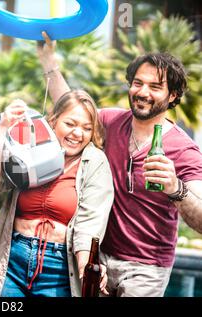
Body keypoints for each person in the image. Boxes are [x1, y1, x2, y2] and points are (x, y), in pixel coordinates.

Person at [38, 32, 202, 297]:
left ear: (172, 96)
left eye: (155, 86)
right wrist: (49, 62)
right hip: (98, 257)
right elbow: (72, 108)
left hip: (146, 269)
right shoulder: (111, 122)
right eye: (137, 83)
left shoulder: (185, 151)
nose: (143, 92)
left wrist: (176, 188)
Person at [0, 93, 113, 297]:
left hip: (58, 269)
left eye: (87, 128)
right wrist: (3, 127)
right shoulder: (29, 146)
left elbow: (90, 224)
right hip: (12, 261)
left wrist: (86, 266)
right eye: (70, 124)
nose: (78, 133)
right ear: (53, 120)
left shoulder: (95, 161)